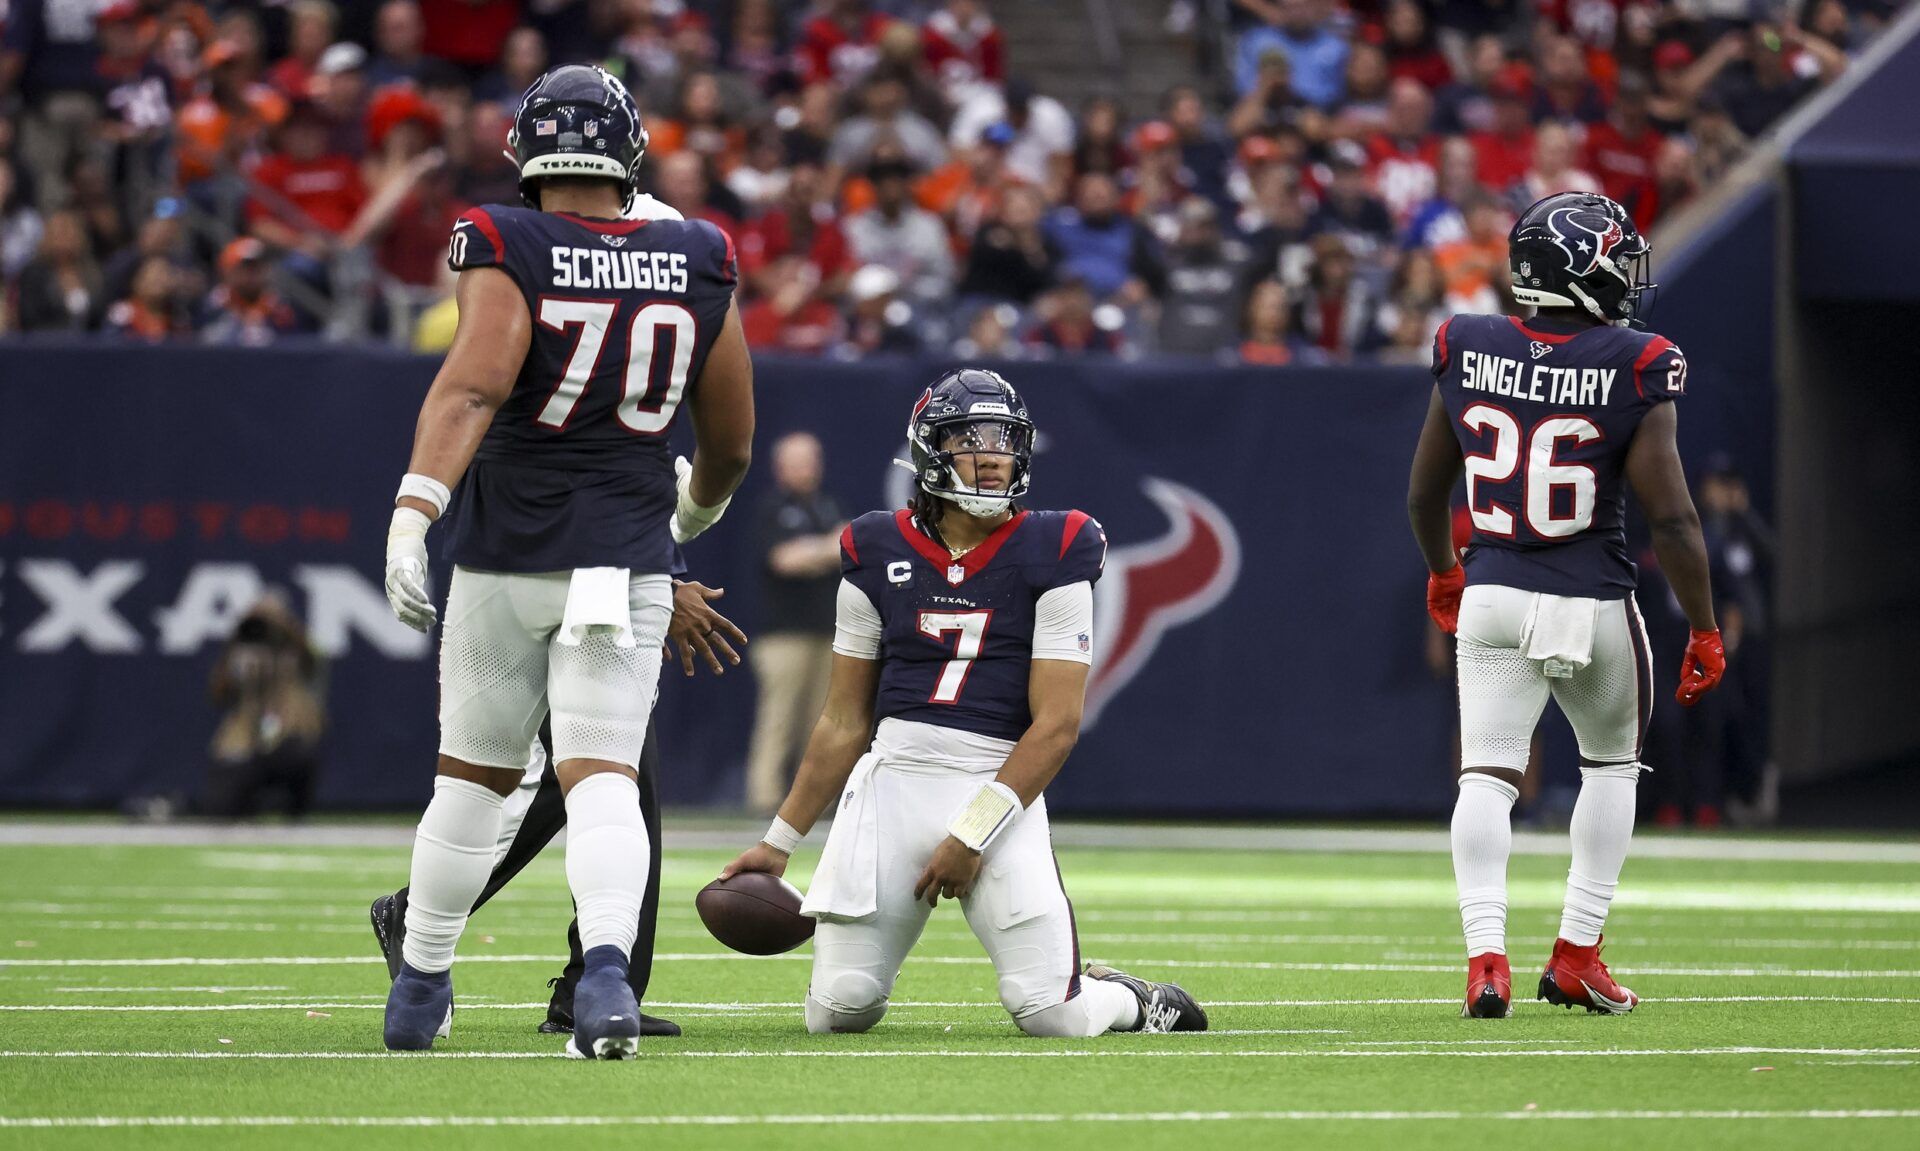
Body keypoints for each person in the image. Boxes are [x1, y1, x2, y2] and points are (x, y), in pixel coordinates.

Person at [378, 64, 754, 1058]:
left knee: (470, 782)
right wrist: (689, 511)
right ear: (628, 153)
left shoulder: (508, 238)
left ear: (527, 153)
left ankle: (419, 985)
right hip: (618, 564)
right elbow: (732, 442)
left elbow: (475, 385)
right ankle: (602, 985)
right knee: (601, 781)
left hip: (506, 555)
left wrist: (414, 511)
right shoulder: (699, 252)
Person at [719, 369, 1207, 1039]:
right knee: (840, 1008)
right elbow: (842, 719)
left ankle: (1128, 998)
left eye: (1004, 440)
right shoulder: (873, 547)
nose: (991, 455)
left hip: (996, 783)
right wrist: (778, 843)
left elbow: (1058, 724)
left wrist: (972, 830)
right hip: (893, 782)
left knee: (1052, 1014)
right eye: (969, 440)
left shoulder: (1059, 544)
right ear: (928, 452)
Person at [1407, 191, 1726, 1019]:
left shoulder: (1465, 340)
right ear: (1578, 273)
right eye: (1616, 263)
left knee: (1486, 775)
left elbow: (1422, 493)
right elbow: (1675, 517)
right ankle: (1577, 952)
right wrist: (1704, 625)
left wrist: (1445, 571)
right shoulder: (1637, 357)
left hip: (1493, 590)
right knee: (1611, 764)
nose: (1627, 279)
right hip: (1590, 595)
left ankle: (1486, 962)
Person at [371, 578, 749, 1040]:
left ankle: (598, 984)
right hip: (552, 585)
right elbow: (594, 508)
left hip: (595, 581)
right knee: (535, 778)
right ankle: (422, 928)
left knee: (615, 778)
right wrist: (656, 587)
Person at [744, 432, 846, 813]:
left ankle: (819, 798)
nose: (807, 469)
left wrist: (817, 551)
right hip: (782, 635)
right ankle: (764, 798)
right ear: (780, 466)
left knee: (822, 723)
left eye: (812, 460)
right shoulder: (772, 508)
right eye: (798, 461)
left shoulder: (826, 506)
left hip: (826, 632)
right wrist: (828, 548)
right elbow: (784, 560)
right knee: (778, 720)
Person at [204, 590, 327, 820]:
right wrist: (242, 631)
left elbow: (313, 663)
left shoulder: (293, 650)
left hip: (286, 735)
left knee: (302, 756)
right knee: (221, 806)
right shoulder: (242, 650)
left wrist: (283, 626)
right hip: (246, 739)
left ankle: (295, 815)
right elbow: (218, 693)